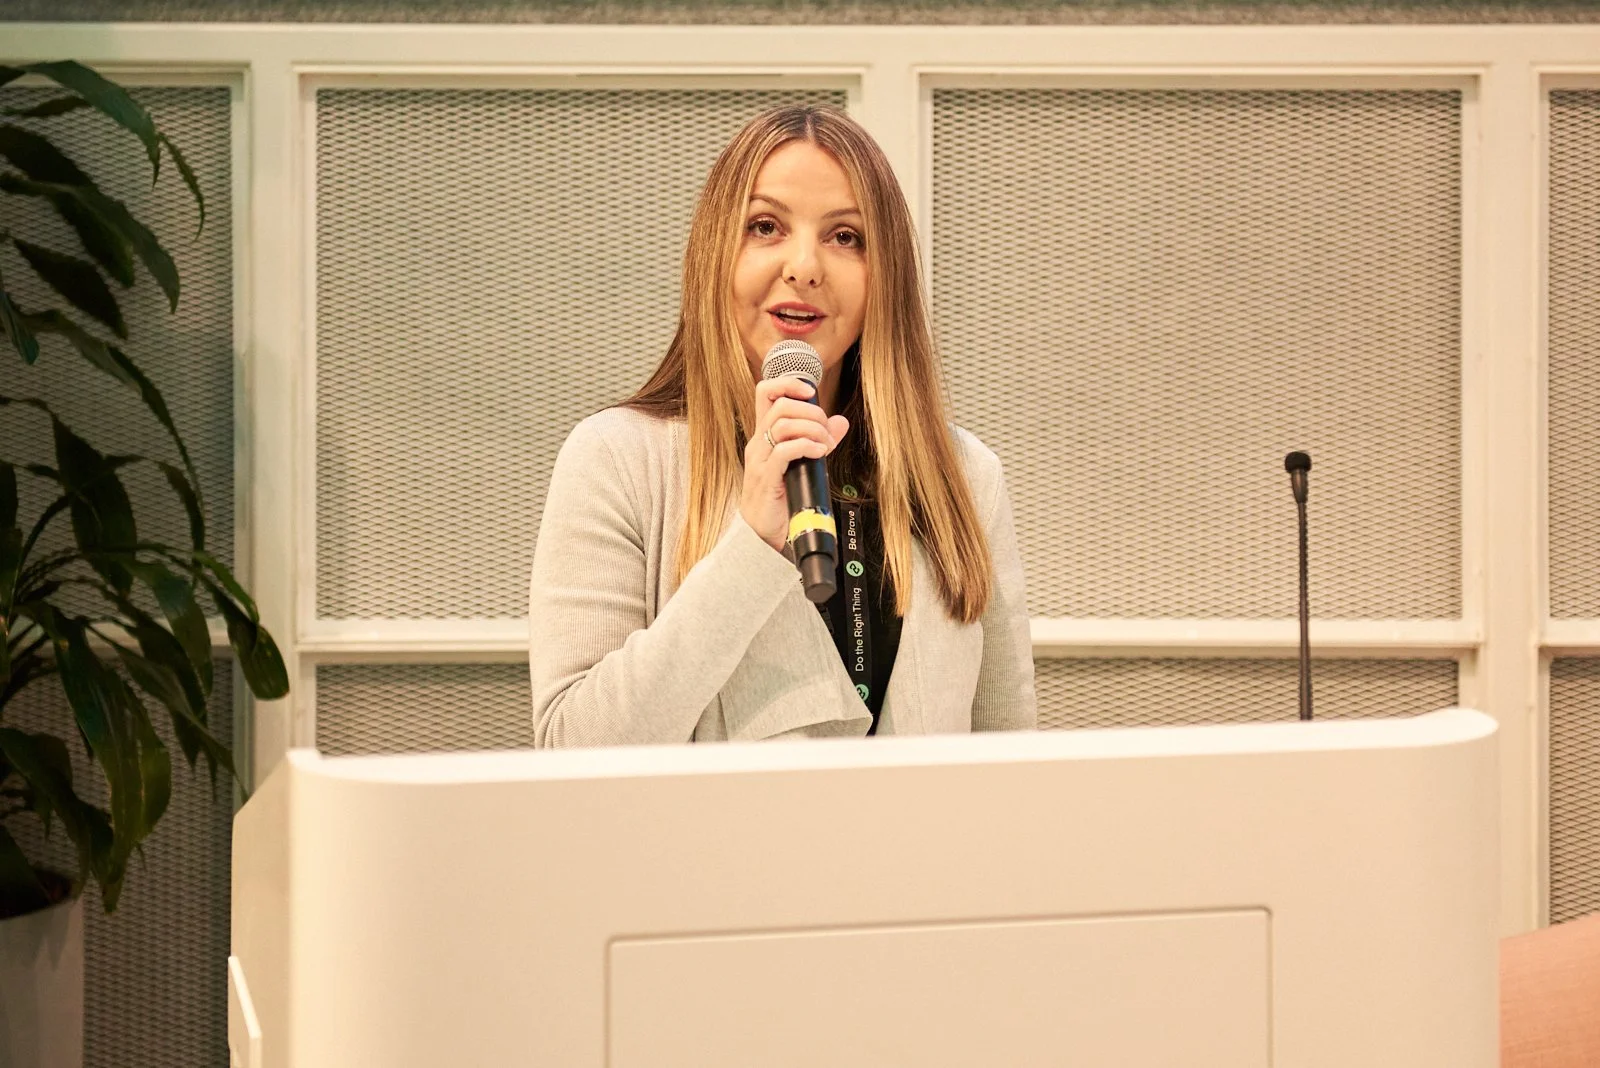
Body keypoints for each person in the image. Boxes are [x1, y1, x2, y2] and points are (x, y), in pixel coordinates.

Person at [528, 104, 1035, 747]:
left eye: (845, 236)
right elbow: (571, 747)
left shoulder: (963, 475)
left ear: (887, 276)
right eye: (766, 226)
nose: (804, 267)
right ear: (716, 255)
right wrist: (751, 547)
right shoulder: (618, 459)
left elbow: (1008, 748)